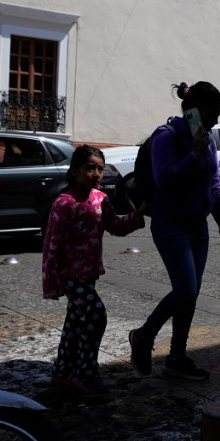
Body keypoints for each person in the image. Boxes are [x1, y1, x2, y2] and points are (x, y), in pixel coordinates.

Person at [128, 81, 220, 381]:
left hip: (198, 227)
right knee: (185, 289)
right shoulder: (166, 136)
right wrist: (193, 155)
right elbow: (165, 180)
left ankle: (176, 357)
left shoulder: (208, 139)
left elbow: (214, 183)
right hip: (169, 224)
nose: (215, 121)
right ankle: (144, 336)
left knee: (191, 295)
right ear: (194, 111)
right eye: (213, 114)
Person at [43, 145, 146, 394]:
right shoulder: (64, 204)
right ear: (76, 170)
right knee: (95, 316)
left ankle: (63, 373)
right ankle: (86, 373)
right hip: (70, 276)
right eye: (90, 168)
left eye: (100, 169)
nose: (96, 174)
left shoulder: (101, 199)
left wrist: (137, 215)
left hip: (89, 275)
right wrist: (52, 283)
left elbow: (115, 226)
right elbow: (51, 245)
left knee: (76, 323)